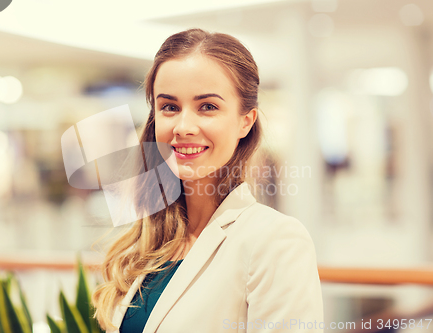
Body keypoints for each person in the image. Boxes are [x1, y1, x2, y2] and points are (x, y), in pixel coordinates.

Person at [92, 28, 323, 333]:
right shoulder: (149, 242)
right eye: (170, 107)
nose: (184, 126)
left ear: (246, 121)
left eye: (208, 107)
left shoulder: (275, 241)